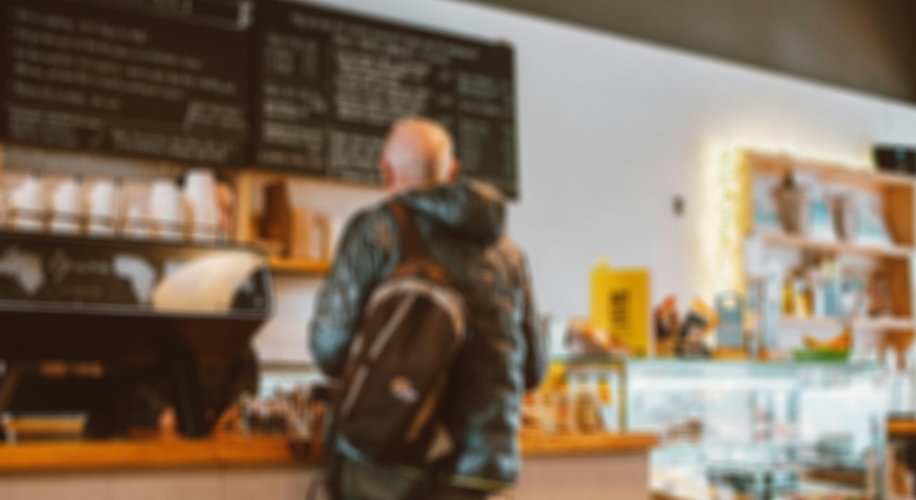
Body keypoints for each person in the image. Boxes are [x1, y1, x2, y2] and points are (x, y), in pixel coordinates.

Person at [309, 117, 546, 500]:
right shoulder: (510, 256)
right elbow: (534, 370)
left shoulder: (375, 231)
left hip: (389, 463)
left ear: (386, 172)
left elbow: (328, 347)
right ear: (452, 173)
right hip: (482, 471)